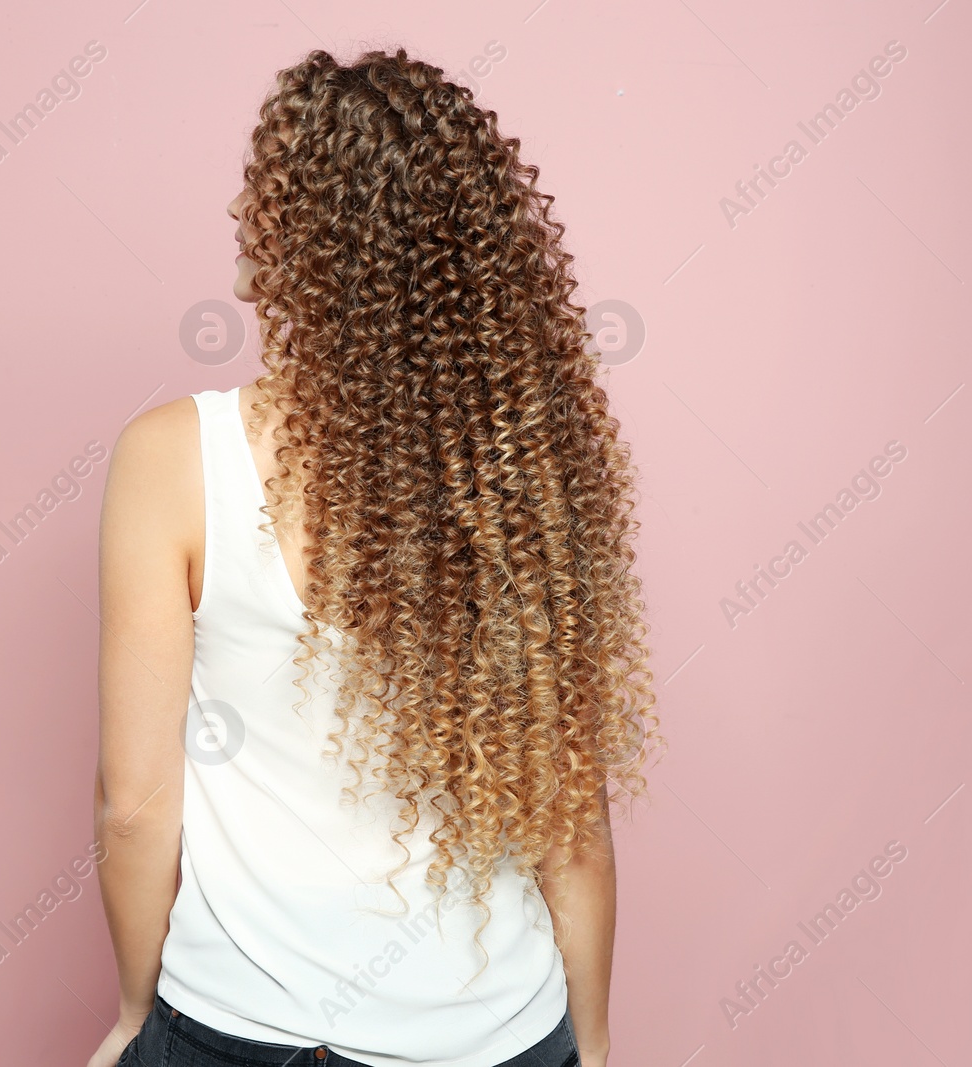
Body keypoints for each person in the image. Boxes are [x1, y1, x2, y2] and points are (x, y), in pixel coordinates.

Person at [86, 46, 661, 1067]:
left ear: (306, 239)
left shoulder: (174, 458)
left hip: (238, 1029)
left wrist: (139, 1014)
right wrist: (600, 1040)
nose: (236, 215)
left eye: (264, 189)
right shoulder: (521, 479)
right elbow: (572, 831)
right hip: (496, 1038)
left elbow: (132, 801)